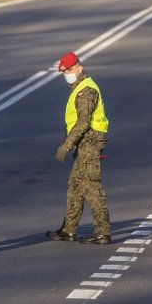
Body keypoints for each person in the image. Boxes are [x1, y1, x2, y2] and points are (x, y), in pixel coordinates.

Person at [47, 52, 112, 244]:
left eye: (69, 70)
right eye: (64, 71)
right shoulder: (79, 88)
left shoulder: (86, 91)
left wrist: (66, 146)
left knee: (92, 187)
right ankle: (69, 230)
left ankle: (103, 232)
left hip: (90, 142)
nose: (66, 74)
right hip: (85, 143)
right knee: (75, 186)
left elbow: (83, 122)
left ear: (79, 67)